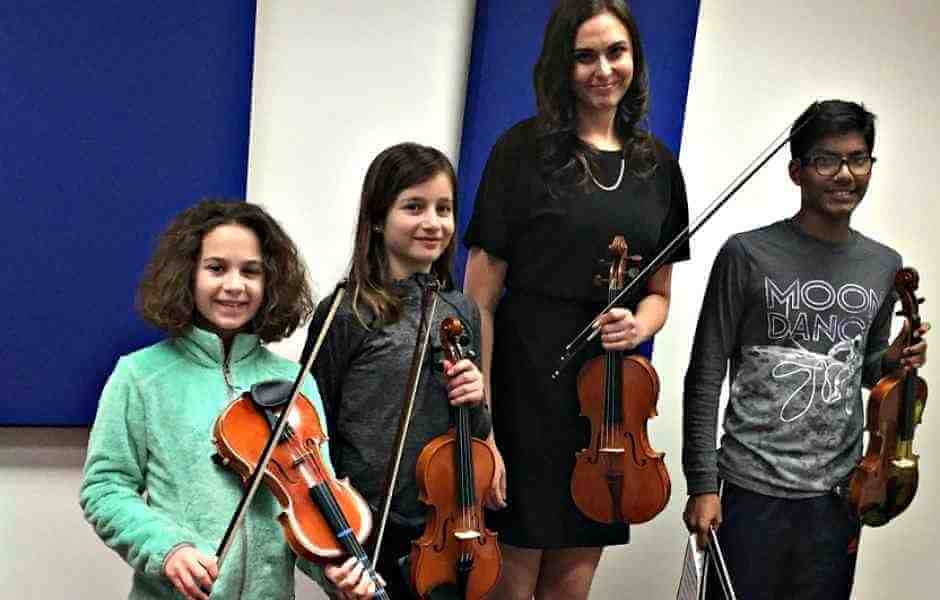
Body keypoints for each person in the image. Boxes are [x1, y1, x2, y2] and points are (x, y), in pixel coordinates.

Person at [462, 0, 690, 597]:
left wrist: (638, 323)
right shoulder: (523, 150)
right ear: (563, 67)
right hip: (523, 384)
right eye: (584, 56)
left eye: (616, 52)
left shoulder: (658, 167)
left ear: (635, 61)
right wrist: (482, 421)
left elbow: (660, 294)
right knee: (510, 583)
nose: (602, 69)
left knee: (572, 584)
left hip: (607, 404)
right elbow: (477, 298)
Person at [682, 100, 930, 599]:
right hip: (749, 490)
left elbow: (863, 369)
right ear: (797, 171)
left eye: (859, 160)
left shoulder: (884, 265)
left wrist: (894, 358)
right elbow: (706, 373)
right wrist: (702, 484)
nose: (845, 174)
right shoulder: (746, 254)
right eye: (827, 160)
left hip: (838, 497)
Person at [79, 201, 367, 599]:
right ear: (188, 275)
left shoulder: (295, 383)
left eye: (251, 271)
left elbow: (309, 512)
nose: (235, 285)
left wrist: (334, 573)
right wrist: (168, 548)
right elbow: (105, 488)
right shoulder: (140, 376)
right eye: (216, 268)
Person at [301, 142, 493, 599]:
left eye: (443, 209)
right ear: (378, 217)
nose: (433, 222)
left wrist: (475, 401)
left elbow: (472, 432)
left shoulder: (461, 310)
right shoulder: (347, 312)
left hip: (445, 529)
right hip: (367, 523)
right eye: (414, 207)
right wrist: (333, 527)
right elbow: (313, 427)